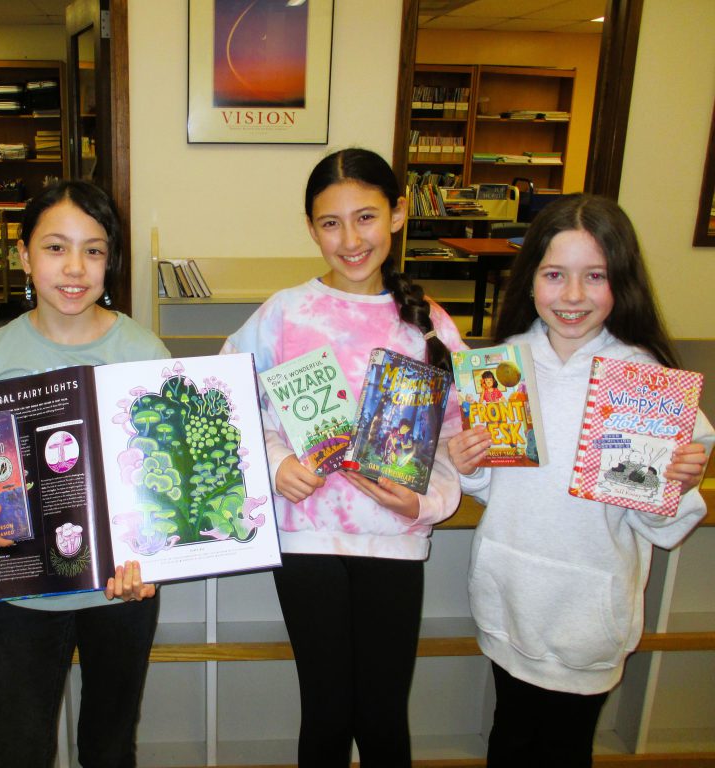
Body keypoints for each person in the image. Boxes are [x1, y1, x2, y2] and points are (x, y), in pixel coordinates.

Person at [446, 194, 713, 768]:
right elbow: (499, 486)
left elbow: (660, 524)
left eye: (594, 276)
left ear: (621, 281)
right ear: (530, 280)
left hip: (589, 613)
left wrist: (673, 482)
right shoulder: (502, 364)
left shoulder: (643, 380)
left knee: (565, 749)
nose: (571, 296)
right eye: (554, 275)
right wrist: (469, 467)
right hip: (510, 598)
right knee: (510, 736)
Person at [221, 148, 466, 767]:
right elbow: (227, 404)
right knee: (327, 714)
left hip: (394, 539)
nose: (351, 239)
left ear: (399, 215)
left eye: (366, 217)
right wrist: (276, 462)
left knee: (384, 719)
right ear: (311, 228)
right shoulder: (284, 313)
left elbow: (456, 444)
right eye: (331, 223)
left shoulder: (431, 325)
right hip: (308, 543)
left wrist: (426, 501)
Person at [0, 179, 167, 768]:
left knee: (110, 747)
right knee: (16, 748)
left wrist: (160, 558)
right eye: (55, 248)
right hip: (27, 590)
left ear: (111, 260)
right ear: (24, 256)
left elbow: (167, 484)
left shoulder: (145, 354)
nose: (75, 267)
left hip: (120, 590)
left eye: (94, 249)